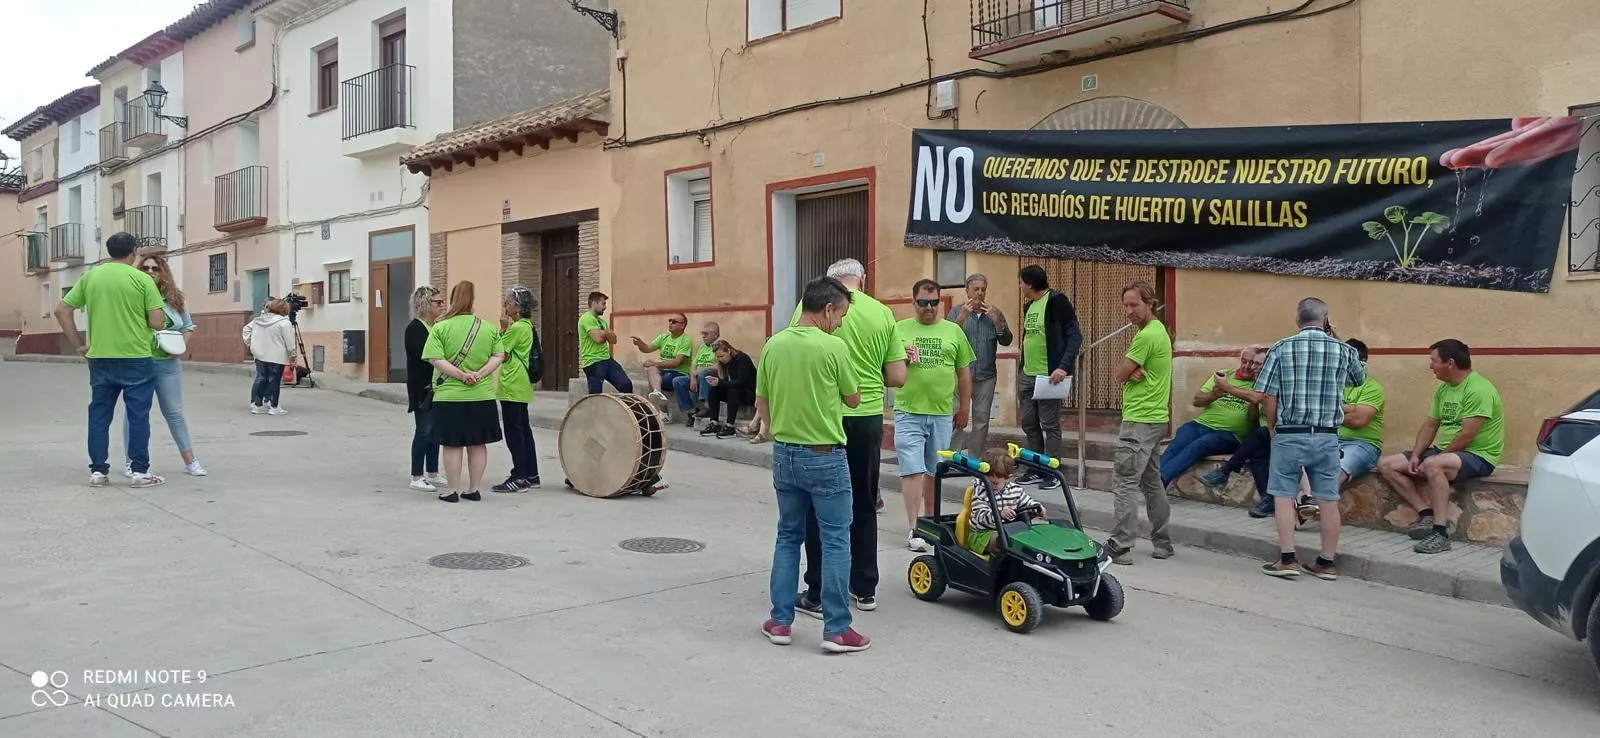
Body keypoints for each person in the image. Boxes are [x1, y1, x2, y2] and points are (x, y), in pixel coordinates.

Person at [757, 275, 870, 654]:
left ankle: (780, 621)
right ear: (827, 309)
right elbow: (853, 399)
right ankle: (837, 629)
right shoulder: (833, 347)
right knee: (836, 539)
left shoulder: (773, 345)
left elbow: (762, 405)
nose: (840, 323)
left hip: (784, 454)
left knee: (788, 536)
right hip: (824, 455)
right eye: (840, 315)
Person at [788, 258, 907, 616]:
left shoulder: (809, 308)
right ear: (863, 280)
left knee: (818, 503)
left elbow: (797, 352)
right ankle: (865, 585)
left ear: (830, 281)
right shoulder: (882, 313)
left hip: (824, 416)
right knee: (864, 500)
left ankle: (818, 589)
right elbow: (898, 377)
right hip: (867, 417)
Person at [1254, 298, 1366, 580]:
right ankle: (1326, 563)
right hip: (1327, 436)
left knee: (1282, 496)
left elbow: (1266, 393)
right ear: (1325, 318)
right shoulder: (1343, 350)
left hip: (1290, 433)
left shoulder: (1281, 348)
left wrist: (1273, 428)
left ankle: (1288, 559)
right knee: (1328, 499)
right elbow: (1359, 379)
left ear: (1297, 319)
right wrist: (1336, 337)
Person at [52, 231, 168, 488]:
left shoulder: (90, 277)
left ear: (109, 251)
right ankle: (139, 472)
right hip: (136, 356)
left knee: (99, 414)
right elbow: (157, 322)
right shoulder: (142, 279)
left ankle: (98, 471)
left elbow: (62, 310)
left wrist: (79, 344)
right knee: (138, 415)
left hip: (100, 357)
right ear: (133, 251)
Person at [1376, 339, 1503, 555]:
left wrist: (1433, 460)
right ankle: (1425, 513)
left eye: (1433, 361)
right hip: (1446, 453)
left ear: (1450, 363)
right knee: (1387, 464)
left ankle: (1440, 533)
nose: (1430, 366)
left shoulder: (1479, 389)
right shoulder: (1443, 390)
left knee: (1433, 465)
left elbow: (1467, 435)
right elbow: (1430, 424)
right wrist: (1417, 455)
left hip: (1478, 455)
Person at [894, 278, 974, 552]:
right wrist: (901, 358)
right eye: (923, 303)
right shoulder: (899, 329)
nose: (929, 308)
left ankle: (931, 521)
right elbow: (884, 369)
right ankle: (914, 527)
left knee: (933, 470)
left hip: (941, 413)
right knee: (912, 469)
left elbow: (964, 373)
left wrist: (964, 408)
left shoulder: (953, 331)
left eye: (934, 303)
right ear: (913, 302)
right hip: (908, 410)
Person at [1104, 281, 1173, 565]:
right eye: (1125, 305)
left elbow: (1119, 373)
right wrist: (1130, 370)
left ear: (1150, 304)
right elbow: (1127, 371)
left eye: (1134, 305)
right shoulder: (1161, 332)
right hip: (1156, 418)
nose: (1128, 311)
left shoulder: (1146, 336)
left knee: (1125, 482)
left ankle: (1121, 544)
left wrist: (1127, 369)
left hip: (1139, 419)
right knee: (1152, 481)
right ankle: (1162, 542)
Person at [122, 255, 206, 478]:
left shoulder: (175, 299)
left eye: (155, 268)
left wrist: (179, 347)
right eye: (145, 268)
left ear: (163, 272)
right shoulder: (132, 297)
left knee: (174, 412)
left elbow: (188, 326)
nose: (150, 272)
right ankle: (131, 462)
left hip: (168, 364)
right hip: (139, 362)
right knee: (135, 414)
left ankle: (191, 461)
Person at [422, 281, 507, 503]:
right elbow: (499, 356)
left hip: (449, 397)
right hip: (482, 395)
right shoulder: (488, 328)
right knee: (478, 443)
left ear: (452, 299)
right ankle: (474, 488)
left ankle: (452, 490)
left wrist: (460, 375)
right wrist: (480, 373)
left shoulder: (440, 327)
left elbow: (435, 359)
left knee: (452, 444)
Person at [1016, 265, 1083, 491]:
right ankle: (1036, 467)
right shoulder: (1029, 306)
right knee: (1028, 422)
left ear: (1031, 284)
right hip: (1028, 374)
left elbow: (1074, 335)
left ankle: (1052, 470)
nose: (1020, 286)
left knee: (1049, 423)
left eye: (1021, 282)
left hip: (1050, 376)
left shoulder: (1057, 302)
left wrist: (1063, 366)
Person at [1158, 347, 1263, 487]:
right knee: (1179, 441)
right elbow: (1197, 400)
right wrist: (1214, 395)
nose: (1248, 366)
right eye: (1244, 361)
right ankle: (1154, 480)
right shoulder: (1224, 375)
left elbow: (1254, 418)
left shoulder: (1260, 385)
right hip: (1200, 424)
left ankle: (1160, 481)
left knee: (1200, 444)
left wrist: (1248, 396)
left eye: (1253, 363)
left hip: (1229, 435)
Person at [948, 273, 1012, 457]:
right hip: (959, 374)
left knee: (981, 420)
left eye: (983, 290)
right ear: (967, 291)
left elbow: (1007, 340)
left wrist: (997, 321)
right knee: (955, 417)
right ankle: (953, 457)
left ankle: (975, 459)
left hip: (986, 376)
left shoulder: (994, 313)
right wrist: (961, 318)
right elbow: (948, 337)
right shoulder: (956, 311)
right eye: (975, 289)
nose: (980, 293)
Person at [493, 286, 542, 493]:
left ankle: (520, 476)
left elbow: (499, 351)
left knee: (515, 433)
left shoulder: (517, 328)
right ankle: (531, 474)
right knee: (524, 430)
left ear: (519, 307)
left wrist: (503, 329)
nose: (505, 306)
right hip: (521, 385)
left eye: (509, 303)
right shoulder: (527, 326)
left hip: (512, 384)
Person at [404, 286, 447, 491]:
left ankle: (432, 471)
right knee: (424, 430)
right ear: (424, 304)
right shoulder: (415, 329)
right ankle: (416, 475)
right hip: (422, 387)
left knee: (436, 431)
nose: (441, 306)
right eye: (437, 302)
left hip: (437, 386)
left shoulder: (435, 327)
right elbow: (427, 356)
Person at [965, 450, 1047, 557]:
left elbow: (1027, 502)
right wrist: (1000, 514)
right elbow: (981, 516)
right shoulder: (981, 491)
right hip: (982, 534)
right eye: (988, 481)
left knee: (1032, 535)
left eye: (995, 483)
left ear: (1008, 478)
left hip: (1009, 530)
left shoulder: (1015, 490)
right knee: (1005, 539)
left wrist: (1038, 508)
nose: (991, 485)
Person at [631, 313, 692, 416]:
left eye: (674, 321)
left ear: (682, 325)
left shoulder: (686, 340)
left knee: (654, 377)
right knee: (652, 371)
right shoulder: (664, 337)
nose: (670, 323)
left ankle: (664, 412)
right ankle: (657, 393)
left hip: (678, 373)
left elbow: (676, 362)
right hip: (665, 371)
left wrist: (655, 363)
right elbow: (647, 348)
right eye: (670, 320)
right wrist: (640, 344)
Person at [243, 299, 297, 415]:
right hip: (276, 356)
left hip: (260, 354)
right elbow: (289, 342)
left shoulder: (258, 321)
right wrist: (293, 356)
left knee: (261, 378)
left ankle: (257, 405)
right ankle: (274, 406)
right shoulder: (284, 323)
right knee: (274, 380)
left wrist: (250, 344)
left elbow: (246, 329)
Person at [699, 339, 755, 439]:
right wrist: (716, 382)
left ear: (729, 351)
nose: (720, 359)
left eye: (721, 356)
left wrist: (720, 382)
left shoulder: (743, 359)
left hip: (749, 393)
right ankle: (714, 423)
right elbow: (726, 381)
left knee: (733, 391)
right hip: (735, 391)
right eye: (718, 357)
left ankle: (730, 426)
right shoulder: (724, 363)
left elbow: (740, 382)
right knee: (714, 389)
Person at [579, 292, 632, 395]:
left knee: (626, 385)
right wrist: (606, 334)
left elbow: (613, 340)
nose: (605, 307)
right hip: (593, 362)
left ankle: (625, 409)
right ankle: (596, 411)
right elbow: (598, 339)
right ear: (594, 303)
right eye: (603, 304)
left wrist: (605, 334)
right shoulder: (586, 318)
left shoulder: (602, 322)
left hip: (606, 360)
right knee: (596, 396)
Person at [681, 322, 721, 424]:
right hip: (700, 376)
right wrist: (693, 377)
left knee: (704, 372)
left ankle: (707, 407)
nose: (703, 336)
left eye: (706, 334)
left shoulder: (720, 346)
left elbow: (720, 366)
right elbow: (693, 364)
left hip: (713, 375)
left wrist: (700, 371)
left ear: (715, 334)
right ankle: (691, 410)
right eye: (702, 333)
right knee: (678, 381)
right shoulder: (702, 347)